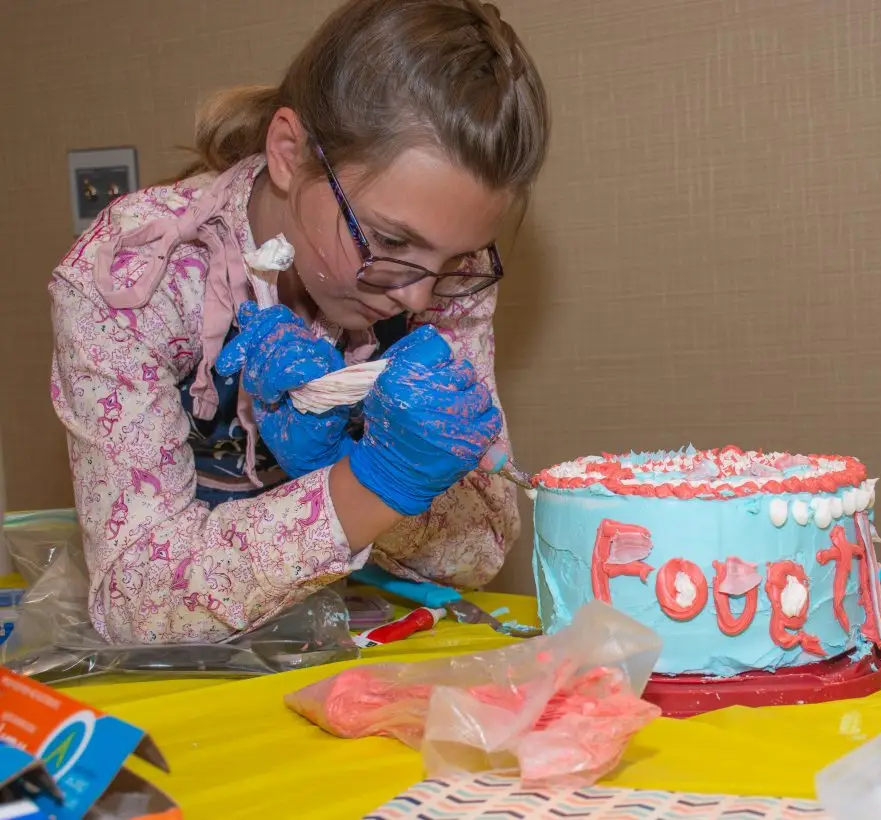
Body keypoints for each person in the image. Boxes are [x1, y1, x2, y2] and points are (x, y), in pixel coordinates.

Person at [48, 0, 550, 644]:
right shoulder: (133, 279)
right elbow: (136, 604)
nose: (421, 300)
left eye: (453, 259)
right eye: (388, 239)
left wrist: (347, 462)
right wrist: (371, 484)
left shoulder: (444, 277)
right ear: (288, 153)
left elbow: (476, 552)